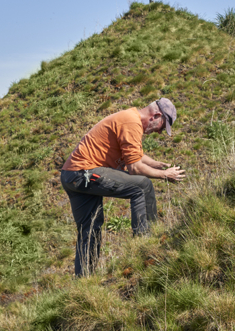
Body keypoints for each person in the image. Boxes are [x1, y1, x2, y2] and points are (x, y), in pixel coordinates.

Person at [60, 98, 186, 276]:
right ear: (156, 116)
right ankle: (145, 248)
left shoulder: (130, 119)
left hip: (71, 175)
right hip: (85, 173)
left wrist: (157, 165)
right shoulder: (131, 122)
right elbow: (135, 168)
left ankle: (83, 281)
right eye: (161, 126)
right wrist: (165, 175)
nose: (159, 132)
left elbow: (137, 156)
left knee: (90, 229)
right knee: (142, 186)